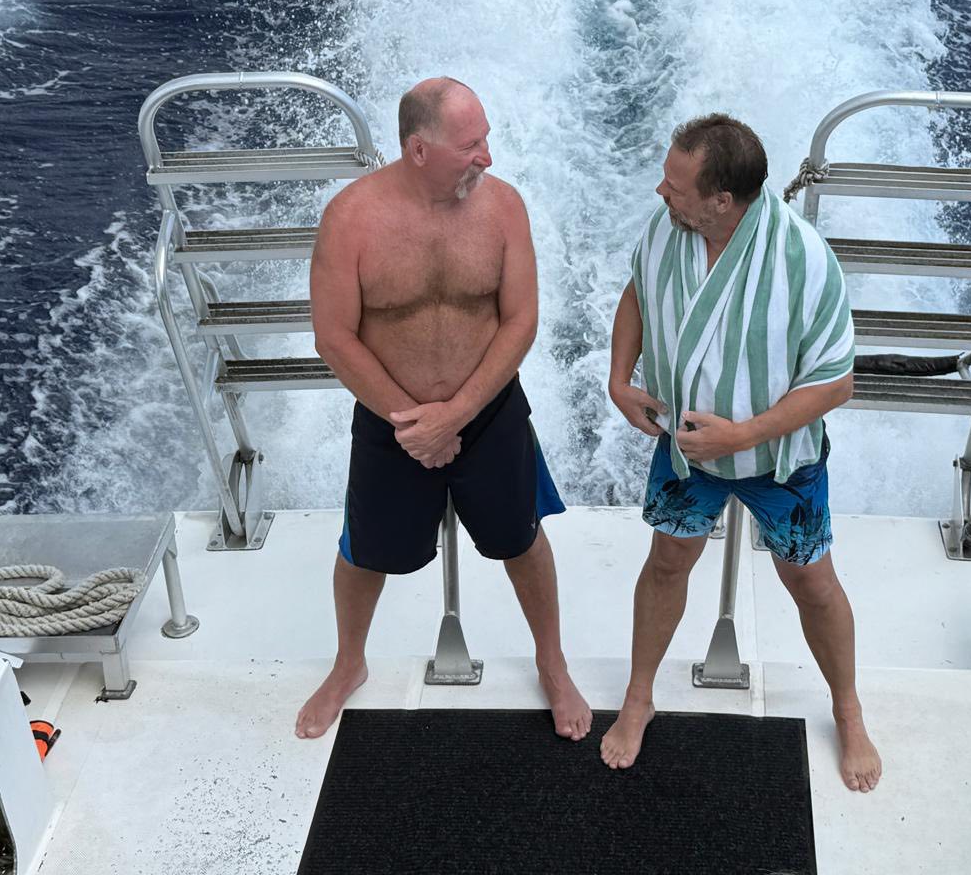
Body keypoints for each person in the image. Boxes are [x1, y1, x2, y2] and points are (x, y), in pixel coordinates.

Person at [294, 77, 591, 743]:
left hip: (487, 410)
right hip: (391, 420)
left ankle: (552, 662)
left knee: (521, 540)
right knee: (365, 551)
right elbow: (333, 337)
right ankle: (349, 663)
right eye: (469, 145)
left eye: (485, 139)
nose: (487, 156)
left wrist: (455, 413)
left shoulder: (504, 208)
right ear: (418, 149)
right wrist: (414, 421)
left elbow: (521, 320)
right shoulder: (351, 219)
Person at [599, 113, 883, 792]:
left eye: (675, 186)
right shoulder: (667, 228)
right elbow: (637, 292)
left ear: (722, 201)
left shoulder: (803, 258)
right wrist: (619, 379)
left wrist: (743, 435)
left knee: (811, 582)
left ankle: (848, 710)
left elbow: (836, 382)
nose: (660, 193)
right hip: (684, 450)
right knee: (667, 563)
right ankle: (638, 697)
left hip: (779, 462)